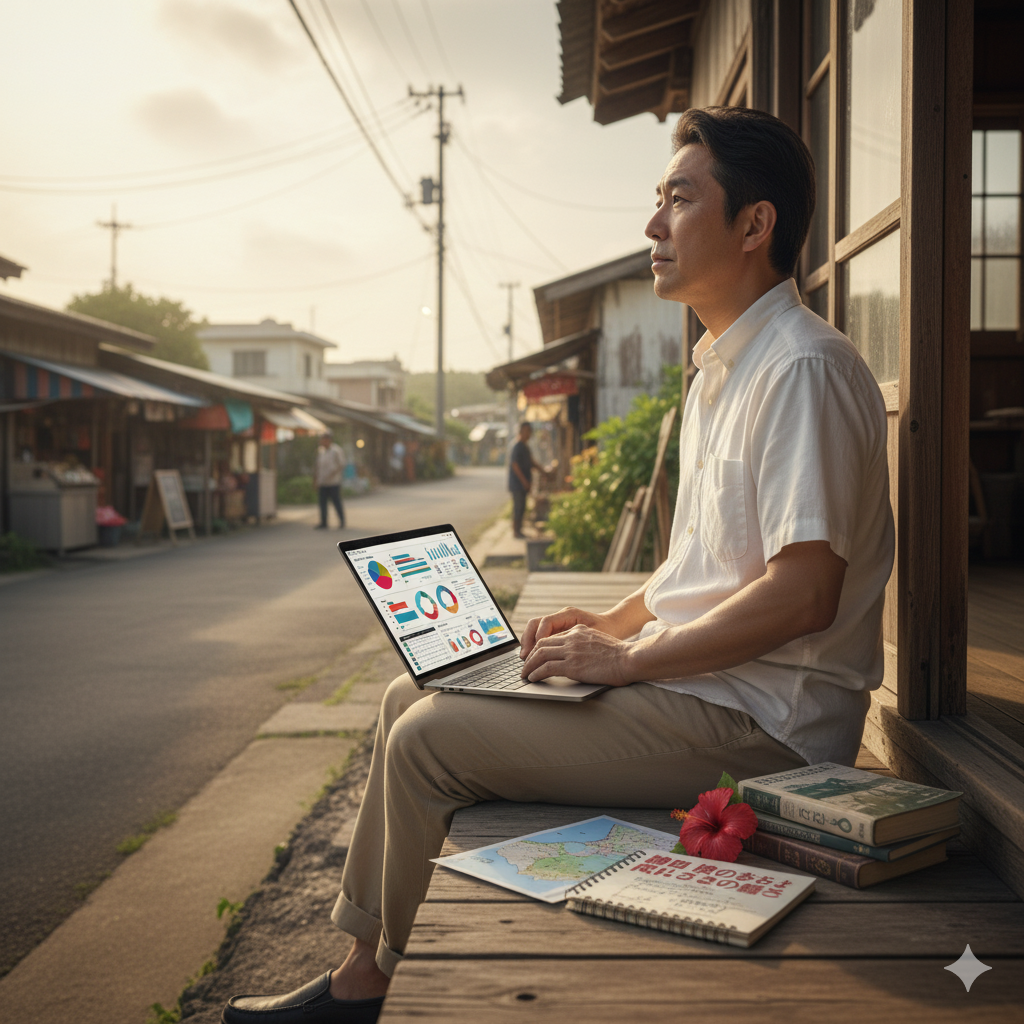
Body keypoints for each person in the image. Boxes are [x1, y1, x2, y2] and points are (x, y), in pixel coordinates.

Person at [222, 106, 894, 1024]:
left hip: (768, 729)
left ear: (753, 224)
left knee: (428, 742)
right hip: (706, 691)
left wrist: (631, 661)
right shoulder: (721, 372)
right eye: (656, 201)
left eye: (678, 200)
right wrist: (611, 624)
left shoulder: (801, 370)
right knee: (404, 697)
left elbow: (805, 593)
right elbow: (703, 562)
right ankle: (361, 967)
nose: (653, 226)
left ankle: (389, 995)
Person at [508, 421, 545, 538]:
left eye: (530, 431)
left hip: (523, 484)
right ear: (521, 431)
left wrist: (543, 471)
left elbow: (531, 462)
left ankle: (518, 530)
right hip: (517, 484)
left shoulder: (525, 446)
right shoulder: (517, 446)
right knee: (518, 507)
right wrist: (524, 481)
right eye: (527, 431)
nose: (529, 433)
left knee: (522, 507)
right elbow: (515, 465)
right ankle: (516, 531)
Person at [314, 433, 346, 530]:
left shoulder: (336, 450)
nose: (322, 442)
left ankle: (341, 521)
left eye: (324, 440)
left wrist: (333, 473)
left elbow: (341, 464)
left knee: (336, 502)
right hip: (323, 482)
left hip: (333, 482)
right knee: (322, 503)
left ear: (329, 440)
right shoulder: (321, 451)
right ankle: (324, 522)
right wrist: (316, 480)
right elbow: (318, 467)